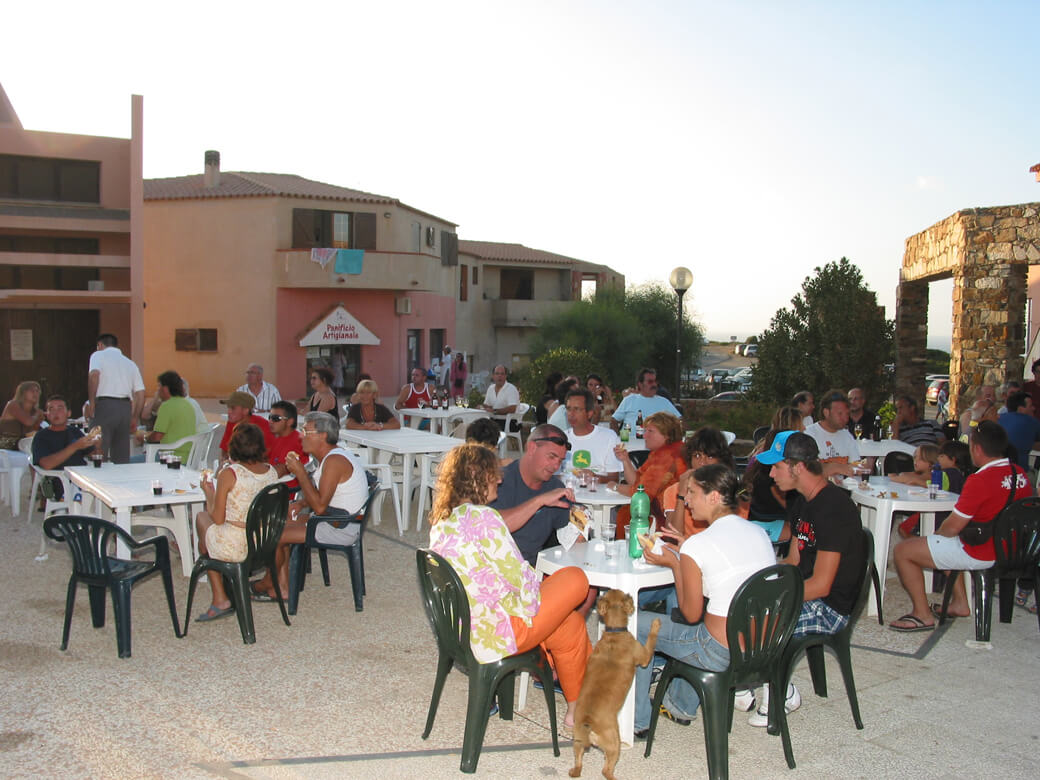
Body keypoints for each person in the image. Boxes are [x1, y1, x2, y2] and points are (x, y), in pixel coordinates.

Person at [429, 442, 592, 728]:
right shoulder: (484, 518)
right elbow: (524, 587)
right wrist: (542, 585)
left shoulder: (444, 521)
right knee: (576, 578)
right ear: (478, 476)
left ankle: (577, 709)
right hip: (498, 632)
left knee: (570, 625)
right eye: (495, 473)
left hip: (461, 626)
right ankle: (585, 697)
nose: (501, 479)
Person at [632, 464, 776, 737]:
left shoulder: (700, 545)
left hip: (719, 651)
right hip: (761, 647)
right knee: (691, 611)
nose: (686, 501)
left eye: (692, 493)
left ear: (714, 497)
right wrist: (687, 552)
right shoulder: (756, 532)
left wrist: (676, 564)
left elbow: (690, 613)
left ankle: (637, 721)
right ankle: (679, 704)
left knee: (635, 624)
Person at [752, 430, 866, 725]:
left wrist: (775, 598)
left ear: (797, 467)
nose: (771, 474)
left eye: (776, 467)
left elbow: (821, 584)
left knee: (753, 623)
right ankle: (749, 684)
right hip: (807, 592)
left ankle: (781, 691)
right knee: (738, 605)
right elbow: (793, 559)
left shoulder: (834, 508)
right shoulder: (803, 501)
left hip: (829, 607)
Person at [890, 421, 1033, 631]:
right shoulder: (1019, 473)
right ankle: (959, 604)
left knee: (903, 551)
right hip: (1013, 549)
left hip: (983, 551)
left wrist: (934, 537)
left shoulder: (980, 480)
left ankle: (922, 614)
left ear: (976, 448)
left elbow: (952, 527)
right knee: (945, 545)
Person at [252, 412, 370, 602]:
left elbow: (321, 507)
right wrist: (301, 503)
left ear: (322, 435)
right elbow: (325, 494)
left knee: (273, 535)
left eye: (306, 431)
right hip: (335, 519)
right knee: (282, 522)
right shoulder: (332, 456)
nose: (301, 436)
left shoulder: (334, 462)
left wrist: (301, 474)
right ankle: (280, 586)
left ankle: (270, 583)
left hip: (339, 526)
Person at [193, 423, 278, 622]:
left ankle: (220, 597)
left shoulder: (230, 474)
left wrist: (209, 493)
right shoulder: (271, 472)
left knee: (202, 520)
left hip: (238, 545)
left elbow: (217, 517)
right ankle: (223, 583)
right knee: (208, 530)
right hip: (264, 542)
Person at [489, 424, 576, 566]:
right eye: (552, 457)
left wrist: (582, 526)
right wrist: (540, 501)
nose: (556, 466)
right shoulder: (498, 481)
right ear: (532, 448)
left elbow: (574, 536)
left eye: (560, 461)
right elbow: (492, 526)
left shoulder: (555, 488)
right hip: (494, 569)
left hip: (532, 572)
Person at [608, 412, 688, 537]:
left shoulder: (667, 456)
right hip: (673, 508)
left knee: (626, 513)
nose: (644, 435)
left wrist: (614, 486)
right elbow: (636, 480)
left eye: (650, 431)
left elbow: (639, 492)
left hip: (670, 515)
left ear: (666, 435)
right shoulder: (663, 452)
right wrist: (625, 460)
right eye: (645, 431)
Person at [662, 427, 735, 536]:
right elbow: (672, 536)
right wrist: (681, 496)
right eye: (697, 456)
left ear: (721, 460)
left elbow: (730, 534)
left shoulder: (731, 490)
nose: (702, 462)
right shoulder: (674, 491)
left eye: (709, 457)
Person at [86, 333, 145, 464]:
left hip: (104, 406)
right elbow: (140, 393)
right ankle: (120, 483)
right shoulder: (130, 363)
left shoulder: (98, 355)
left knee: (97, 451)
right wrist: (135, 417)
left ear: (100, 345)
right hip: (125, 409)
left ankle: (97, 482)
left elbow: (94, 375)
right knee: (121, 456)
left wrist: (91, 402)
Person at [32, 395, 100, 480]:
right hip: (60, 480)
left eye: (60, 408)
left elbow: (94, 455)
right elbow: (46, 464)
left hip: (82, 477)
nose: (55, 413)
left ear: (69, 413)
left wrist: (97, 444)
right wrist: (75, 446)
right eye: (51, 409)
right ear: (47, 415)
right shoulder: (41, 436)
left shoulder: (74, 431)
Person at [564, 388, 622, 484]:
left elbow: (614, 479)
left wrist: (595, 478)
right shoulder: (561, 438)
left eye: (577, 409)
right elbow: (554, 476)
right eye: (568, 409)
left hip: (597, 496)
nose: (571, 414)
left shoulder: (608, 437)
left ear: (589, 413)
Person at [136, 371, 197, 461]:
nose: (157, 390)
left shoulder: (167, 406)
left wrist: (144, 437)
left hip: (170, 458)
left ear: (165, 388)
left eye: (159, 386)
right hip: (187, 458)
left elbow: (157, 436)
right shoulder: (188, 405)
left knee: (126, 464)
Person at [803, 390, 861, 478]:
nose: (845, 418)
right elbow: (808, 470)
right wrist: (835, 467)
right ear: (826, 412)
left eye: (847, 414)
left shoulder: (847, 435)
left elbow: (856, 465)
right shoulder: (809, 434)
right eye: (840, 414)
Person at [610, 368, 680, 434]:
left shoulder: (664, 402)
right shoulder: (629, 400)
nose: (654, 384)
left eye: (655, 381)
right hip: (629, 443)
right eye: (650, 382)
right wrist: (617, 438)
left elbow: (680, 420)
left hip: (655, 445)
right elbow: (614, 421)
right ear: (640, 384)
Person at [218, 391, 274, 459]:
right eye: (228, 408)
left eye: (233, 408)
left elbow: (267, 453)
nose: (228, 411)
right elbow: (225, 449)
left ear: (246, 410)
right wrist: (224, 461)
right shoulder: (232, 423)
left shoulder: (263, 425)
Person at [998, 391, 1040, 468]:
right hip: (1020, 473)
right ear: (1020, 409)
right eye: (1030, 406)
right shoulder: (1031, 421)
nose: (1034, 408)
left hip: (994, 471)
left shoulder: (997, 418)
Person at [0, 380, 45, 449]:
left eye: (37, 391)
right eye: (32, 391)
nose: (35, 393)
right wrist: (37, 414)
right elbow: (28, 422)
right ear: (23, 393)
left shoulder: (34, 411)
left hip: (23, 443)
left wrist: (39, 421)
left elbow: (31, 431)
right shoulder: (13, 404)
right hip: (5, 442)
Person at [266, 401, 305, 479]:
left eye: (275, 418)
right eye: (269, 417)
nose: (270, 421)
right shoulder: (278, 437)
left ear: (290, 422)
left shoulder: (297, 442)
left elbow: (280, 471)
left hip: (284, 488)